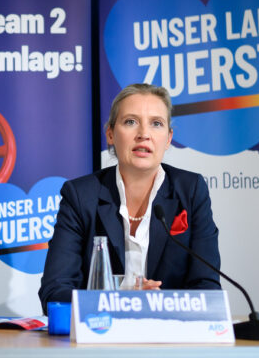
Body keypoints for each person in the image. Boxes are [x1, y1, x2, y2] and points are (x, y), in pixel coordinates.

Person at [38, 83, 220, 311]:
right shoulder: (80, 196)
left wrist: (161, 304)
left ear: (168, 138)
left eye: (156, 123)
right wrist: (122, 302)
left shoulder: (191, 190)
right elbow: (55, 293)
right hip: (100, 334)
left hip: (171, 337)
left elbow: (208, 289)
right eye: (131, 122)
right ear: (111, 134)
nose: (144, 134)